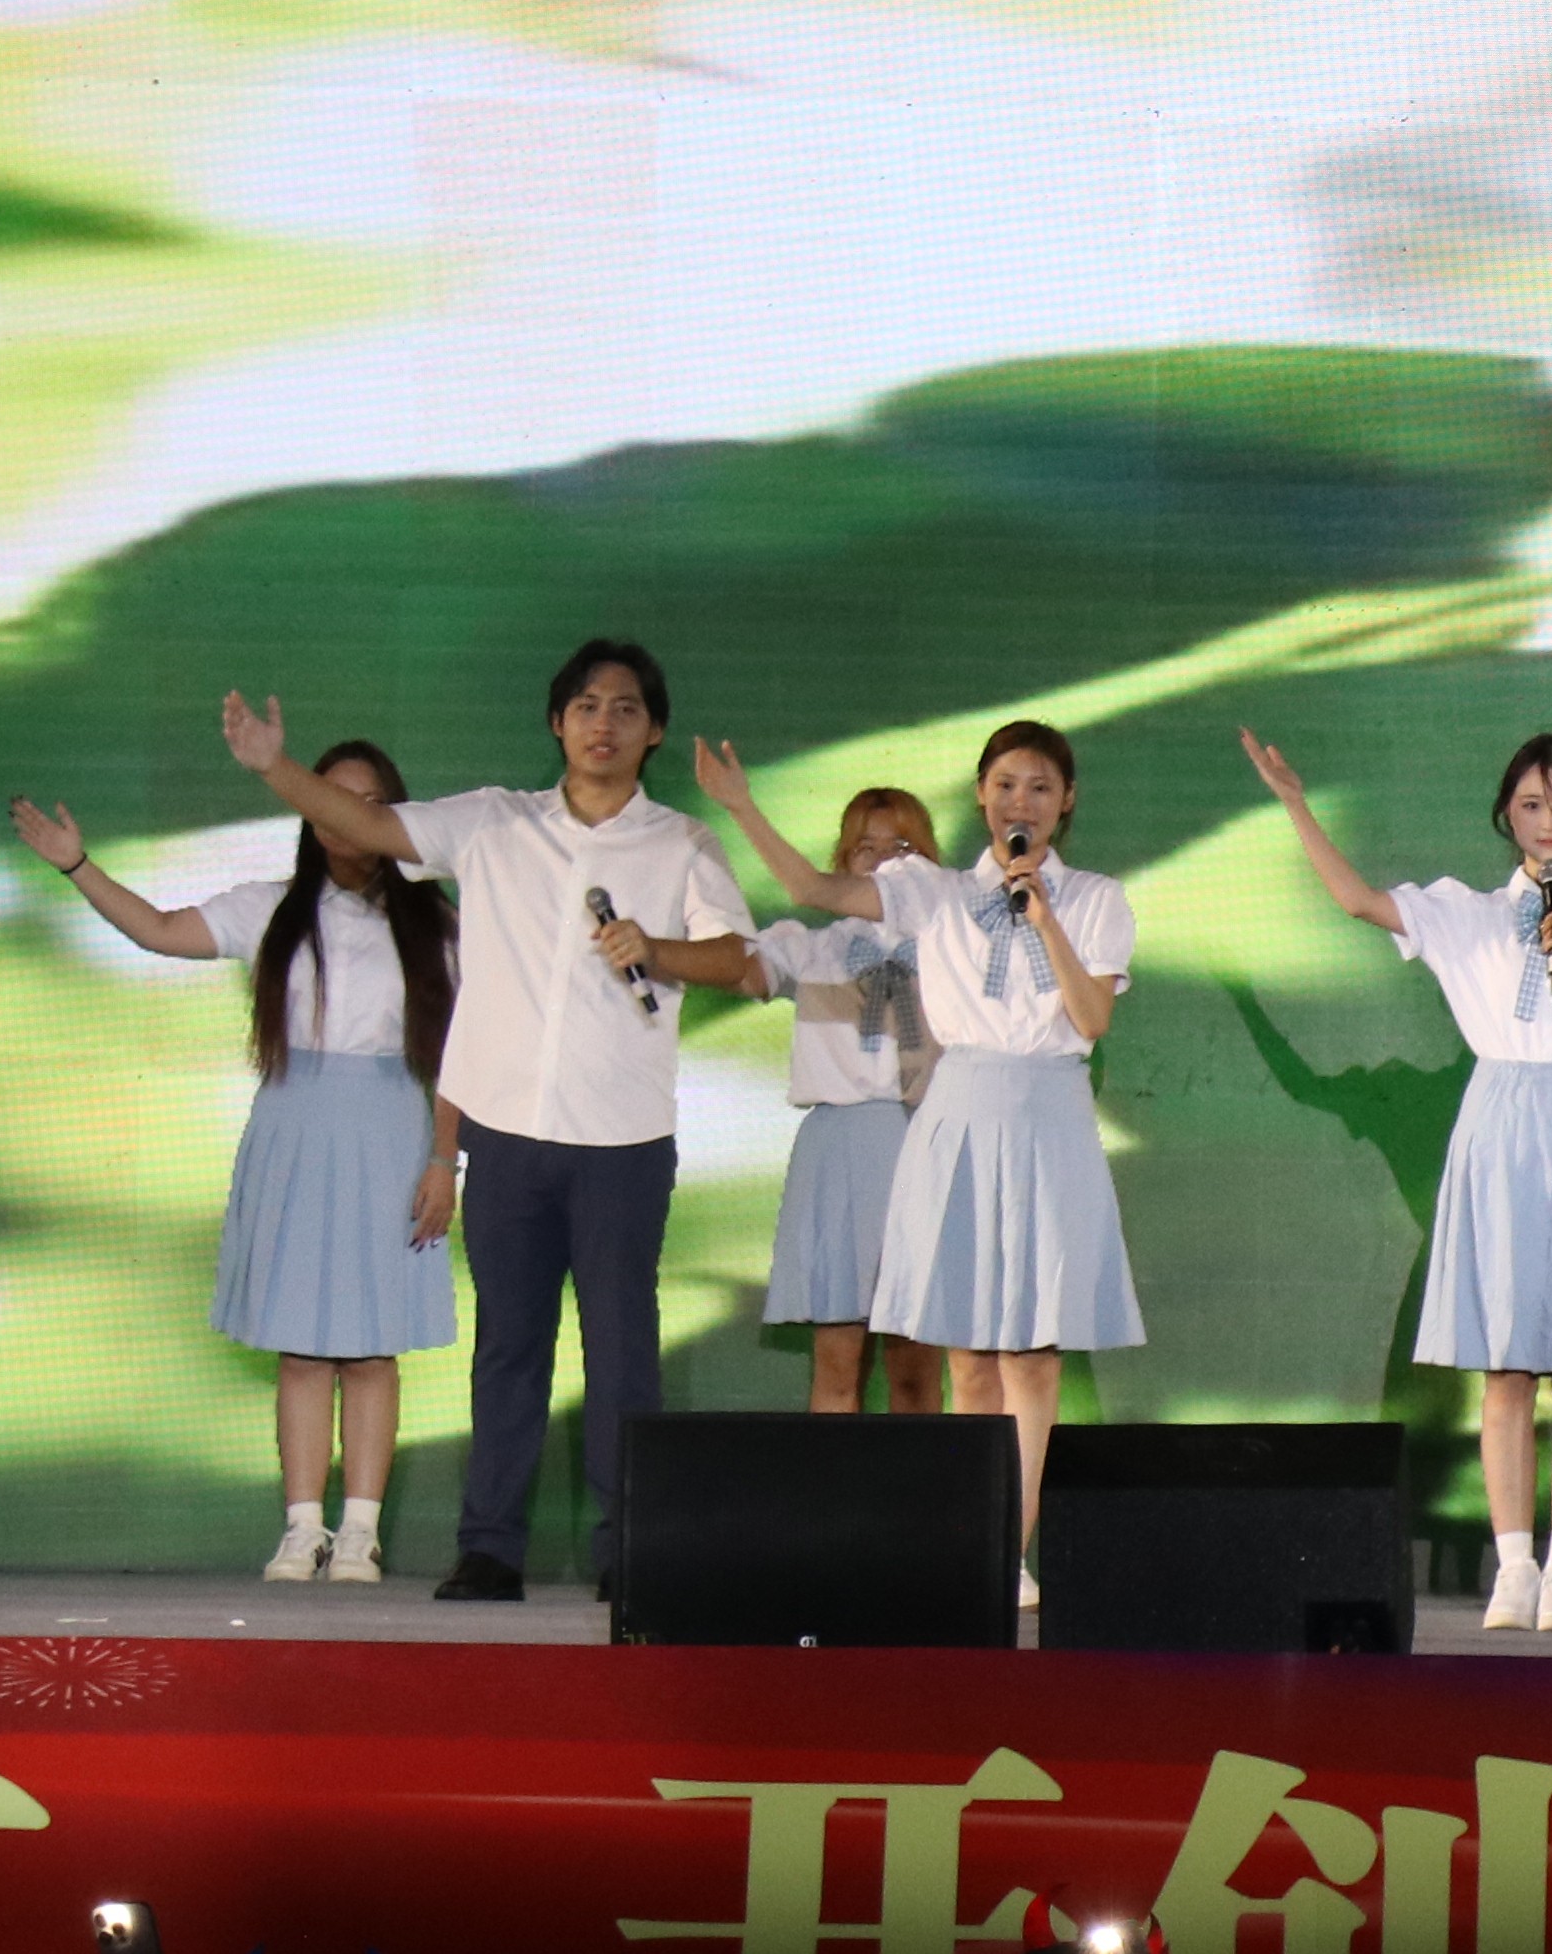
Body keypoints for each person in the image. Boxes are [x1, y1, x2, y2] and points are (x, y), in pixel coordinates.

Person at [224, 641, 744, 1604]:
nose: (602, 723)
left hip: (624, 1137)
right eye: (585, 706)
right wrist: (273, 768)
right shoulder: (494, 822)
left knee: (621, 1350)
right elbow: (370, 825)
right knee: (508, 1346)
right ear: (557, 722)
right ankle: (491, 1548)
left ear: (654, 731)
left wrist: (659, 948)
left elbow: (741, 961)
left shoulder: (683, 843)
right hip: (506, 1131)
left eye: (625, 708)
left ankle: (628, 1551)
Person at [1239, 724, 1552, 1633]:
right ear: (1506, 816)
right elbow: (1356, 901)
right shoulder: (1464, 913)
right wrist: (1295, 805)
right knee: (1506, 1367)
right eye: (1531, 804)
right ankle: (1513, 1567)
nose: (1549, 821)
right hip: (1499, 1123)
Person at [694, 726, 1138, 1599]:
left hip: (1048, 1109)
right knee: (967, 1353)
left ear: (1067, 801)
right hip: (959, 1104)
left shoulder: (1096, 899)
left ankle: (1010, 1550)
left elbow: (1090, 1017)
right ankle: (976, 1544)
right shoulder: (929, 891)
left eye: (1039, 787)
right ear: (981, 795)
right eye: (1004, 785)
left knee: (1033, 1354)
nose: (1020, 802)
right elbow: (813, 887)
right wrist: (742, 806)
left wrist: (1042, 914)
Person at [11, 747, 464, 1581]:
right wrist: (77, 865)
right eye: (333, 798)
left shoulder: (438, 926)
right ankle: (303, 1528)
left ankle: (360, 1533)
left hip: (392, 1133)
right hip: (294, 1128)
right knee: (302, 1347)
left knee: (372, 1349)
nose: (350, 816)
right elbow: (158, 930)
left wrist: (444, 1159)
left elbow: (460, 1058)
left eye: (370, 801)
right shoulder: (272, 910)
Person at [737, 784, 948, 1424]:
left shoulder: (954, 952)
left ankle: (922, 1490)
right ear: (840, 860)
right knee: (837, 1356)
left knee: (915, 1363)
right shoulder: (810, 947)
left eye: (902, 847)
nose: (882, 861)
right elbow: (740, 969)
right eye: (865, 848)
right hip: (838, 1153)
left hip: (924, 1146)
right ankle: (832, 1489)